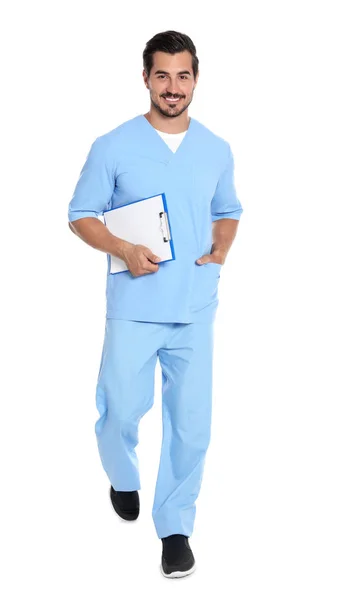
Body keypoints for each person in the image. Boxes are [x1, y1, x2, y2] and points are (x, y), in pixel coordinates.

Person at [68, 30, 243, 578]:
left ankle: (175, 527)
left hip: (195, 307)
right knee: (119, 408)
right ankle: (122, 475)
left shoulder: (215, 148)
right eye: (162, 75)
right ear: (145, 77)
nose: (173, 87)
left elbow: (229, 207)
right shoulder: (113, 145)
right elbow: (80, 214)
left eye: (183, 75)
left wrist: (222, 244)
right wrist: (121, 247)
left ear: (196, 79)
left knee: (192, 425)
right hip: (135, 304)